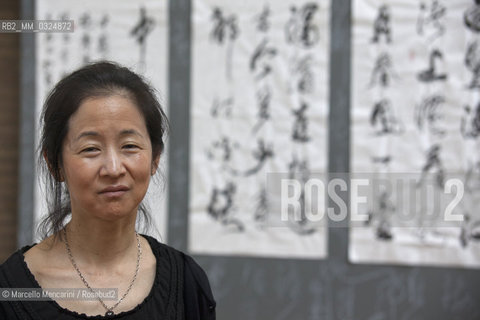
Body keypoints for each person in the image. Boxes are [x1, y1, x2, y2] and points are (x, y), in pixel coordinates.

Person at [0, 61, 216, 319]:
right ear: (55, 164)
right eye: (90, 149)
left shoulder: (187, 285)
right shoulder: (10, 291)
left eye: (129, 146)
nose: (113, 168)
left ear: (155, 158)